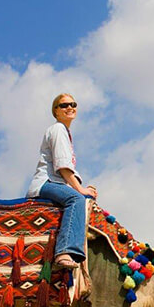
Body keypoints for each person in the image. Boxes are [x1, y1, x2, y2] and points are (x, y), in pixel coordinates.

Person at [26, 93, 97, 269]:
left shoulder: (65, 132)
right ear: (56, 111)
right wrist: (80, 189)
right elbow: (63, 167)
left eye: (73, 104)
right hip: (47, 183)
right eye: (64, 105)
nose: (70, 107)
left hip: (56, 182)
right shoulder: (58, 130)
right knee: (76, 199)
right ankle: (64, 251)